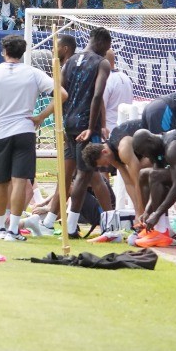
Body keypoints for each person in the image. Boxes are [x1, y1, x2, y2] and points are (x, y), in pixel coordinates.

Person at [0, 34, 56, 243]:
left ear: (4, 51)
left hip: (0, 133)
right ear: (22, 52)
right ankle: (13, 229)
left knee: (1, 182)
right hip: (25, 132)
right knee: (20, 181)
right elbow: (61, 94)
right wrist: (41, 117)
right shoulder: (33, 73)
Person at [58, 29, 114, 237]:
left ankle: (104, 224)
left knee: (87, 174)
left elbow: (61, 94)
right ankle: (72, 226)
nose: (107, 51)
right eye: (107, 47)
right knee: (85, 174)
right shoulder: (102, 63)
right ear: (101, 42)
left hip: (69, 123)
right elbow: (98, 95)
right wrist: (91, 127)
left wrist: (63, 123)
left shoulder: (70, 61)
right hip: (85, 125)